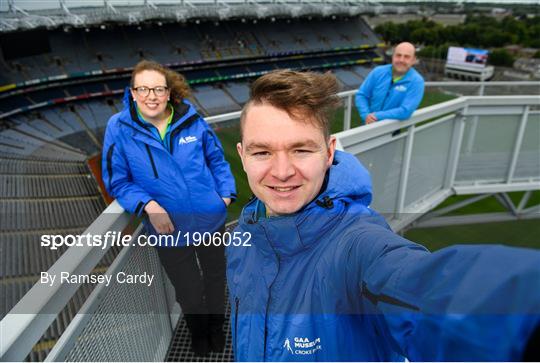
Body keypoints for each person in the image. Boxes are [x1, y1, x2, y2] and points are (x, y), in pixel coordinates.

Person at [227, 69, 540, 361]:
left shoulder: (358, 245)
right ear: (243, 155)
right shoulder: (243, 235)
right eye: (262, 152)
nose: (282, 172)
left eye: (301, 150)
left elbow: (427, 289)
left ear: (330, 152)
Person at [102, 60, 236, 356]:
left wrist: (224, 195)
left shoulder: (191, 119)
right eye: (144, 89)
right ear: (132, 93)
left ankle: (216, 326)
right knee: (188, 290)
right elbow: (117, 180)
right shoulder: (119, 128)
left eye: (158, 89)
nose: (151, 95)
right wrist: (148, 205)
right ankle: (198, 332)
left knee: (216, 277)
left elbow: (217, 161)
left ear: (168, 91)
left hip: (210, 221)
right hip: (168, 230)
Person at [355, 42, 425, 124]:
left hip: (391, 131)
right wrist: (365, 115)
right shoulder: (378, 72)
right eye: (398, 55)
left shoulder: (416, 81)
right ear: (393, 56)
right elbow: (362, 95)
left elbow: (405, 111)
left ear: (413, 60)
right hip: (367, 126)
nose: (401, 60)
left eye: (406, 57)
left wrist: (376, 116)